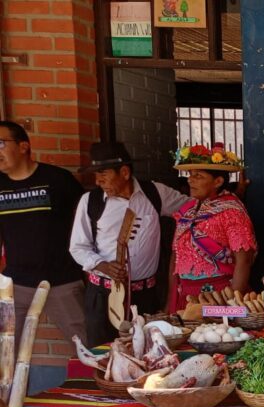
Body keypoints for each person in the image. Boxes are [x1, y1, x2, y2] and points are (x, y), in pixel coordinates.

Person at [69, 142, 190, 346]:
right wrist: (103, 265)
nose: (98, 181)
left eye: (103, 174)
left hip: (145, 296)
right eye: (96, 175)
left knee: (149, 355)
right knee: (103, 355)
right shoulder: (90, 202)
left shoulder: (154, 193)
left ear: (124, 172)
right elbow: (77, 247)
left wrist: (228, 200)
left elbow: (194, 208)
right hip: (103, 296)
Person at [0, 120, 86, 346]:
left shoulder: (58, 180)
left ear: (23, 146)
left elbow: (87, 223)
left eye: (1, 143)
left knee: (89, 347)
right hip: (15, 284)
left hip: (62, 281)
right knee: (5, 355)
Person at [168, 142, 257, 311]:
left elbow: (244, 261)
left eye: (198, 176)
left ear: (218, 181)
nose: (190, 180)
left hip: (219, 296)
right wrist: (170, 301)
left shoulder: (232, 213)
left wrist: (230, 306)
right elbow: (175, 259)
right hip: (184, 297)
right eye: (190, 175)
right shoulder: (186, 213)